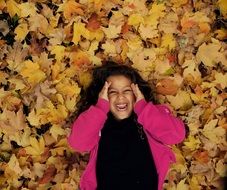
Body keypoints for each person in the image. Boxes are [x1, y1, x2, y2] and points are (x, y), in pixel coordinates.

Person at [68, 61, 185, 190]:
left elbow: (177, 135)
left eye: (127, 90)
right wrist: (100, 107)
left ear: (136, 93)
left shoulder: (149, 117)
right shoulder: (97, 123)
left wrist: (143, 108)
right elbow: (78, 143)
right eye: (112, 92)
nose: (120, 96)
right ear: (103, 96)